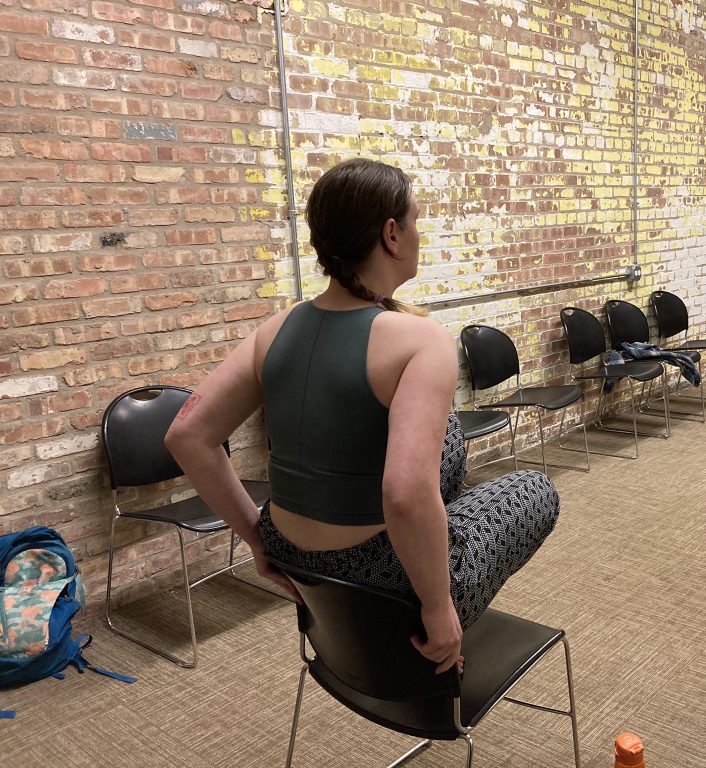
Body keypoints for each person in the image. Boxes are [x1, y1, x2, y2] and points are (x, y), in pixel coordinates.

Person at [165, 158, 559, 674]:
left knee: (447, 444)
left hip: (292, 557)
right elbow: (402, 493)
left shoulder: (275, 328)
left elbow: (187, 434)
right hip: (383, 582)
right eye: (415, 220)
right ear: (392, 234)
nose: (419, 232)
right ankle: (435, 581)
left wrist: (258, 540)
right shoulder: (421, 341)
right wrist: (439, 609)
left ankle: (431, 534)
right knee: (535, 489)